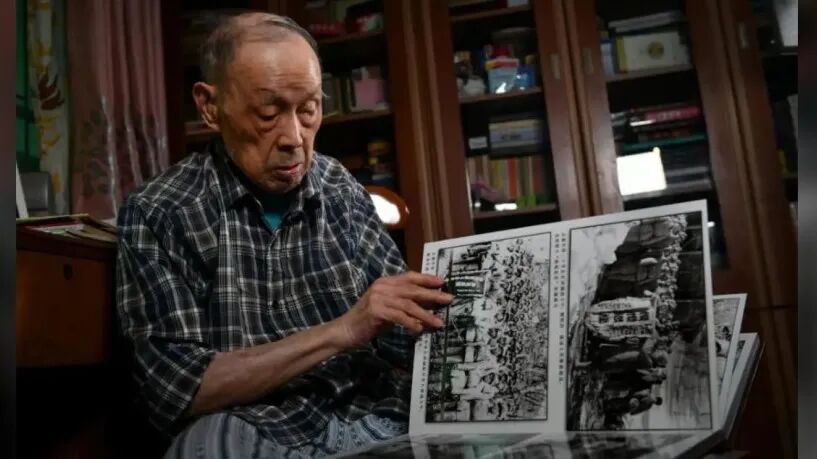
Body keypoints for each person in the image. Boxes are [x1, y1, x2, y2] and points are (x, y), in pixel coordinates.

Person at [115, 12, 453, 458]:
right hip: (262, 430)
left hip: (372, 417)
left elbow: (401, 330)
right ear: (210, 107)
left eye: (308, 109)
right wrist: (344, 329)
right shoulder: (160, 212)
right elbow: (177, 390)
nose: (294, 137)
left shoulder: (337, 185)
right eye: (268, 113)